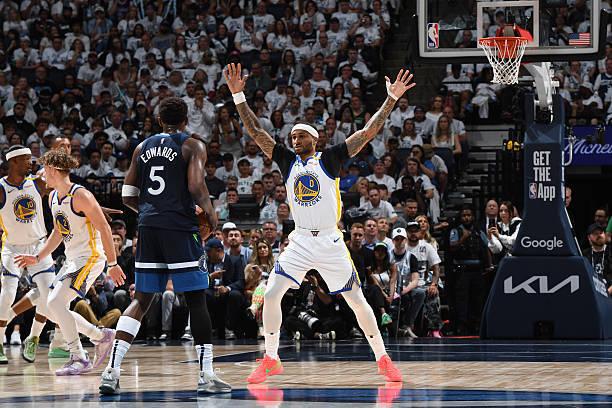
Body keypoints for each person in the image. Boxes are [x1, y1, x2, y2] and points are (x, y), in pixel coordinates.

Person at [224, 62, 415, 384]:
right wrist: (238, 96)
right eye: (292, 137)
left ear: (315, 139)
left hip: (329, 241)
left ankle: (383, 358)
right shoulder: (287, 162)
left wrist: (391, 99)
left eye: (300, 136)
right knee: (272, 293)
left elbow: (367, 133)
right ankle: (271, 358)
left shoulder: (329, 158)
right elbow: (256, 132)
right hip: (300, 240)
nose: (294, 140)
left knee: (356, 300)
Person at [98, 97, 230, 395]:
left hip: (148, 228)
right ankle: (206, 375)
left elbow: (127, 195)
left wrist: (150, 211)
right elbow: (196, 186)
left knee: (141, 300)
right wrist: (211, 216)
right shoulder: (192, 145)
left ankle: (111, 371)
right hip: (180, 228)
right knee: (196, 299)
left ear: (159, 120)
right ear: (186, 120)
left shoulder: (141, 148)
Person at [15, 149, 123, 375]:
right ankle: (100, 336)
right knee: (51, 308)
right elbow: (59, 231)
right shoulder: (53, 197)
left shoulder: (80, 195)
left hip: (90, 257)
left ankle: (79, 357)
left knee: (55, 303)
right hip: (73, 259)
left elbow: (104, 227)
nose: (41, 173)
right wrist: (38, 256)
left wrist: (113, 264)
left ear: (53, 170)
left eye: (44, 169)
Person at [0, 145, 56, 364]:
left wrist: (94, 209)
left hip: (38, 245)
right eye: (26, 159)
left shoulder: (38, 183)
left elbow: (66, 194)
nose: (31, 163)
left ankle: (33, 337)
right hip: (12, 247)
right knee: (8, 292)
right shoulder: (1, 188)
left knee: (48, 294)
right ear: (13, 162)